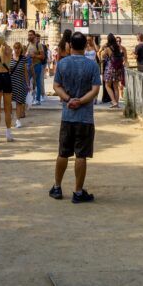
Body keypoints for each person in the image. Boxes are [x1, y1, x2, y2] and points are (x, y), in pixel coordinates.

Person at [49, 30, 101, 203]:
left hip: (67, 114)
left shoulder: (62, 64)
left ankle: (57, 187)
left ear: (70, 45)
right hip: (85, 116)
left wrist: (68, 99)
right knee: (81, 155)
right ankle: (78, 192)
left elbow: (56, 86)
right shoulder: (92, 65)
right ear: (85, 46)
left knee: (63, 153)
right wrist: (81, 101)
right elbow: (95, 90)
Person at [100, 33, 126, 108]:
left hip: (110, 68)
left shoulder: (108, 48)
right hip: (118, 68)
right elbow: (124, 51)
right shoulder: (118, 47)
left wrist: (103, 48)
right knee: (115, 86)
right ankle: (116, 103)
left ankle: (114, 102)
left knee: (107, 85)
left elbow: (103, 56)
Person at [10, 42, 29, 127]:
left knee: (19, 103)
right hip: (10, 83)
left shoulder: (23, 59)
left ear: (21, 49)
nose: (17, 50)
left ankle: (18, 120)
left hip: (20, 83)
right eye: (16, 48)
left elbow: (25, 72)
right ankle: (10, 116)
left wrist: (28, 84)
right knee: (8, 102)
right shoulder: (10, 58)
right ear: (13, 48)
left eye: (18, 48)